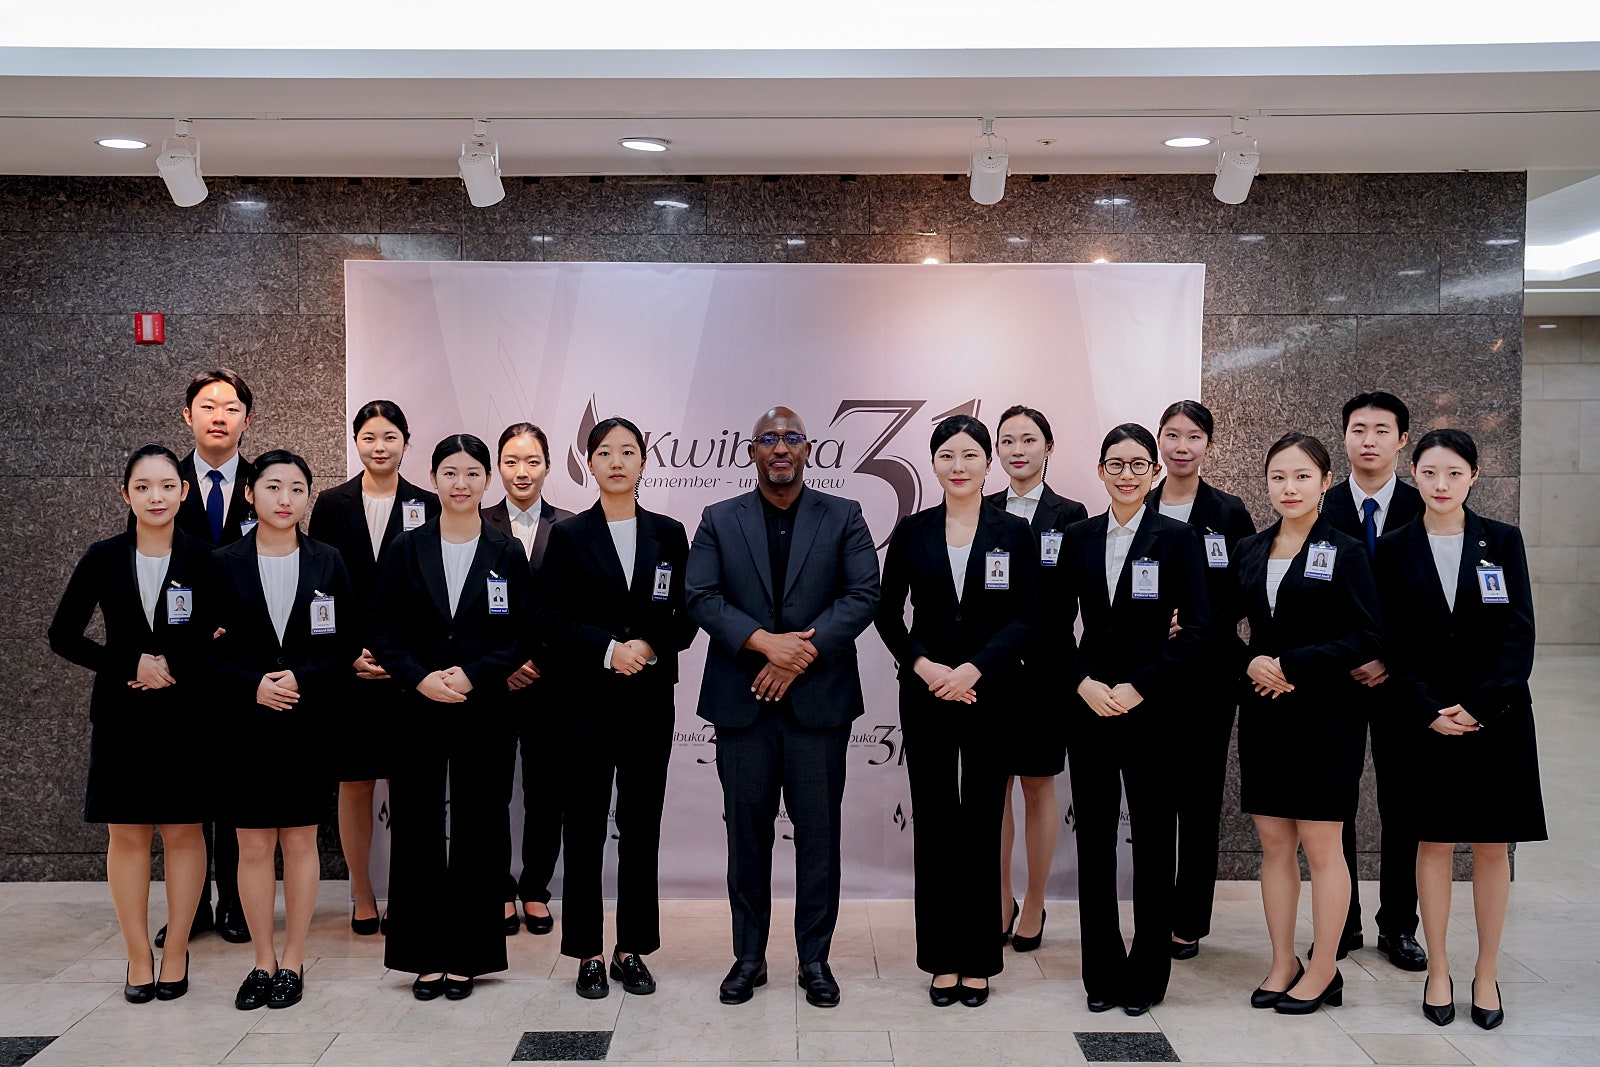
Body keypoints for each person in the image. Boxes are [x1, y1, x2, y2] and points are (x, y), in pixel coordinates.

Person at [686, 406, 881, 1009]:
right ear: (751, 451)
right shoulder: (718, 518)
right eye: (769, 438)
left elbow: (863, 594)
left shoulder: (844, 515)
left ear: (808, 449)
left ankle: (814, 959)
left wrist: (797, 655)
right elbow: (700, 595)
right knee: (746, 839)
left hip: (817, 706)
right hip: (742, 705)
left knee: (819, 838)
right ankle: (748, 957)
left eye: (792, 438)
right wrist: (764, 643)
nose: (780, 448)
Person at [1374, 429, 1545, 1030]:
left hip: (1497, 719)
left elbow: (1518, 634)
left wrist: (1478, 707)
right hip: (1425, 722)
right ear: (1413, 475)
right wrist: (1429, 709)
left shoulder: (1503, 540)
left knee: (1494, 847)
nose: (1441, 484)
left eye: (1453, 473)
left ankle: (1487, 971)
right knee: (1434, 842)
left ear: (1473, 475)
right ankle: (1441, 969)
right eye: (1429, 472)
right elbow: (1390, 642)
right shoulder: (1393, 547)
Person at [875, 414, 1038, 1009]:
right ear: (934, 464)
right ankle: (941, 958)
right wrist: (925, 667)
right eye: (947, 455)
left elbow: (1028, 616)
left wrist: (975, 669)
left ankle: (980, 960)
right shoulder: (912, 530)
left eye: (970, 454)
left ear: (987, 462)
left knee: (984, 821)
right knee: (936, 821)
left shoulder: (1013, 532)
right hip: (927, 693)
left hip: (991, 692)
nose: (959, 465)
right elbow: (887, 613)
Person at [533, 417, 697, 999]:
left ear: (644, 462)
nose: (618, 462)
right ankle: (588, 952)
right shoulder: (569, 535)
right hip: (584, 702)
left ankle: (632, 949)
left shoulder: (669, 534)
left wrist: (646, 647)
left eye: (629, 451)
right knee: (583, 826)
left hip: (648, 702)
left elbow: (687, 614)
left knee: (641, 824)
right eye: (605, 452)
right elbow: (549, 617)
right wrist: (607, 650)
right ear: (590, 464)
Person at [49, 445, 214, 1003]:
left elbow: (226, 635)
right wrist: (130, 664)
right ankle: (138, 954)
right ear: (125, 494)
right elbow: (63, 635)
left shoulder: (206, 559)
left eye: (166, 486)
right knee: (127, 834)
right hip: (121, 716)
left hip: (187, 715)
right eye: (142, 487)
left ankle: (177, 950)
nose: (155, 497)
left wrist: (171, 666)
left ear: (184, 491)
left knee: (185, 832)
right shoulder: (103, 556)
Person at [369, 434, 531, 1001]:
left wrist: (473, 675)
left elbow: (521, 634)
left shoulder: (506, 550)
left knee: (479, 828)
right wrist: (420, 678)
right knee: (416, 827)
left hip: (483, 707)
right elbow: (381, 629)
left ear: (487, 480)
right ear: (434, 478)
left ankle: (469, 955)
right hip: (416, 706)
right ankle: (422, 955)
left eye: (472, 474)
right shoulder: (406, 546)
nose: (461, 484)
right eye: (450, 473)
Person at [1228, 432, 1382, 1015]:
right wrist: (1249, 661)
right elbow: (1217, 628)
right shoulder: (1250, 549)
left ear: (1324, 482)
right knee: (1273, 844)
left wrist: (1292, 663)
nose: (1288, 488)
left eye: (1301, 477)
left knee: (1322, 846)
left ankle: (1324, 969)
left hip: (1325, 713)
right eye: (1278, 477)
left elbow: (1367, 637)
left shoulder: (1345, 550)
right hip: (1264, 711)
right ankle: (1281, 962)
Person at [1062, 423, 1211, 1015]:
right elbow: (1051, 628)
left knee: (1153, 844)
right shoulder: (1078, 537)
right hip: (1090, 708)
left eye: (1138, 465)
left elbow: (1197, 631)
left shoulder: (1178, 538)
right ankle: (1101, 973)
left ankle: (1148, 976)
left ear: (1154, 473)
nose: (1127, 475)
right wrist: (1083, 683)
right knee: (1095, 844)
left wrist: (1139, 687)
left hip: (1154, 711)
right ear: (1100, 471)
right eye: (1116, 464)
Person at [207, 451, 359, 1011]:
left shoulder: (327, 560)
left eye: (297, 488)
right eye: (272, 487)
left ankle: (293, 960)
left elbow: (347, 642)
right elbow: (201, 650)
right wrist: (251, 685)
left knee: (299, 841)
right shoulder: (222, 563)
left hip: (306, 720)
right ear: (250, 493)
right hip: (243, 724)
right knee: (251, 845)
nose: (284, 498)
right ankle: (261, 960)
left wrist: (301, 677)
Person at [306, 400, 441, 935]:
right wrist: (351, 652)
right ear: (356, 442)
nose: (379, 446)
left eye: (389, 436)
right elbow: (319, 584)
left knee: (411, 787)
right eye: (368, 437)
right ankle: (362, 894)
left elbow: (435, 592)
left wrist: (400, 657)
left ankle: (407, 896)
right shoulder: (331, 503)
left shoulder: (430, 503)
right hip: (351, 670)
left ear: (406, 441)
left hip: (409, 672)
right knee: (356, 783)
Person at [145, 369, 259, 949]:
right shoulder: (164, 481)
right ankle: (190, 906)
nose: (220, 416)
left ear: (246, 419)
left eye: (231, 407)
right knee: (186, 793)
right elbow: (145, 568)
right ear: (187, 416)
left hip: (245, 659)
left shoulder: (266, 482)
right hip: (181, 662)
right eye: (208, 406)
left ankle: (236, 901)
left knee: (238, 784)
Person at [1320, 391, 1428, 971]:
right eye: (1358, 429)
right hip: (1335, 679)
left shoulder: (1424, 504)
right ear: (1344, 437)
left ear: (1402, 440)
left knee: (1402, 803)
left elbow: (1433, 603)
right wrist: (1346, 656)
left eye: (1382, 430)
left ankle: (1398, 926)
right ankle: (1342, 923)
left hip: (1402, 681)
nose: (1369, 440)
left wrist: (1389, 658)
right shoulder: (1321, 502)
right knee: (1335, 803)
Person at [1148, 400, 1258, 960]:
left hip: (1211, 674)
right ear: (1159, 442)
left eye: (1193, 436)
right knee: (1153, 798)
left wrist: (1195, 623)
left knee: (1200, 799)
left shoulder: (1228, 511)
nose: (1181, 446)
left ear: (1208, 445)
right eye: (1172, 435)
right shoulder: (1139, 503)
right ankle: (1151, 911)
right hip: (1150, 676)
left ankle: (1188, 918)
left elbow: (1245, 587)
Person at [986, 405, 1087, 953]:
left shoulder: (1070, 515)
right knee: (994, 786)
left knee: (1038, 785)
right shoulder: (980, 508)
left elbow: (1081, 595)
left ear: (1049, 447)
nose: (1017, 450)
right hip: (991, 670)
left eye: (1029, 439)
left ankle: (1035, 902)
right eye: (1007, 440)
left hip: (1047, 671)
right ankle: (999, 899)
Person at [480, 422, 575, 937]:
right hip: (491, 684)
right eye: (512, 461)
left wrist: (537, 661)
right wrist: (503, 665)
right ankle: (497, 889)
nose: (522, 472)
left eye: (532, 461)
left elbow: (576, 610)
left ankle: (536, 888)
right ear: (498, 467)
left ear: (548, 466)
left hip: (552, 683)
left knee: (546, 794)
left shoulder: (572, 527)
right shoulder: (474, 521)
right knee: (490, 792)